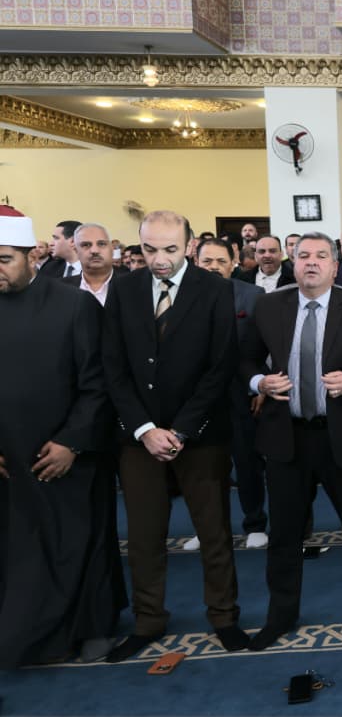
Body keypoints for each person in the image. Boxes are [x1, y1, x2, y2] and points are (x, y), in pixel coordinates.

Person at [100, 210, 248, 661]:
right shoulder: (123, 289)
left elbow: (220, 366)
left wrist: (181, 429)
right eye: (149, 249)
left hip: (200, 436)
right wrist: (145, 430)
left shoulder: (215, 289)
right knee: (144, 537)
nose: (159, 259)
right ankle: (148, 620)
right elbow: (114, 367)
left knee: (214, 533)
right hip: (139, 438)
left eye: (169, 249)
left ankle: (224, 617)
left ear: (189, 245)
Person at [241, 232, 342, 650]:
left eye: (321, 256)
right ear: (292, 264)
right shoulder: (268, 306)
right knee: (284, 536)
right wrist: (259, 381)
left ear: (335, 265)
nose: (311, 262)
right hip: (286, 437)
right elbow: (244, 358)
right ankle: (280, 616)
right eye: (303, 255)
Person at [0, 209, 123, 667]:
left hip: (70, 455)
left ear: (32, 256)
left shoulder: (75, 305)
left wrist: (71, 442)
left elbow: (98, 384)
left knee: (82, 542)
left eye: (4, 259)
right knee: (19, 550)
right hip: (9, 461)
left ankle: (93, 626)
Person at [193, 238, 269, 551]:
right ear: (196, 262)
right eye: (207, 261)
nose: (214, 267)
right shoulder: (181, 296)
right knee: (203, 467)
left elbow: (265, 345)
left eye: (220, 261)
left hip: (241, 394)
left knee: (247, 462)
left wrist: (260, 385)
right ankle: (207, 529)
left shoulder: (252, 295)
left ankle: (255, 523)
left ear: (232, 263)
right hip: (196, 399)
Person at [65, 223, 116, 307]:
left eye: (101, 244)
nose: (94, 250)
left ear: (112, 249)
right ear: (76, 251)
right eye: (86, 245)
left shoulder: (132, 285)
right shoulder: (61, 288)